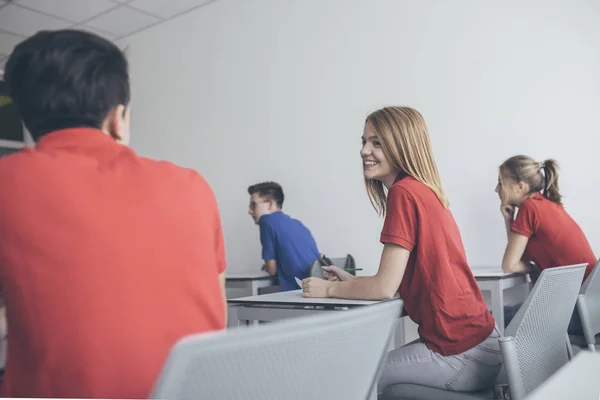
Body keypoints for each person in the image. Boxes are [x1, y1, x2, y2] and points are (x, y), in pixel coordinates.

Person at [0, 29, 227, 398]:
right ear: (117, 118)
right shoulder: (192, 186)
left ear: (30, 122)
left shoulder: (8, 182)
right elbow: (214, 312)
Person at [302, 106, 502, 394]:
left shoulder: (403, 193)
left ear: (401, 146)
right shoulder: (424, 191)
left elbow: (384, 288)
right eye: (364, 141)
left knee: (349, 380)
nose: (364, 151)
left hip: (460, 354)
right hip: (483, 345)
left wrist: (327, 290)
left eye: (377, 142)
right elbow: (398, 283)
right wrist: (354, 282)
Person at [496, 155, 597, 332]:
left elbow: (509, 265)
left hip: (576, 313)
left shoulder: (530, 208)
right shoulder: (548, 206)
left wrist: (534, 269)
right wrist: (508, 220)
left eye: (500, 182)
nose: (496, 189)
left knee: (491, 318)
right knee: (497, 315)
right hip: (591, 310)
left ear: (521, 186)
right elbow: (517, 257)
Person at [248, 182, 320, 291]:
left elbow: (271, 270)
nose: (250, 211)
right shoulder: (297, 223)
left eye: (254, 205)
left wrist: (269, 266)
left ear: (270, 204)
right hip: (316, 285)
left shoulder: (266, 221)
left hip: (297, 290)